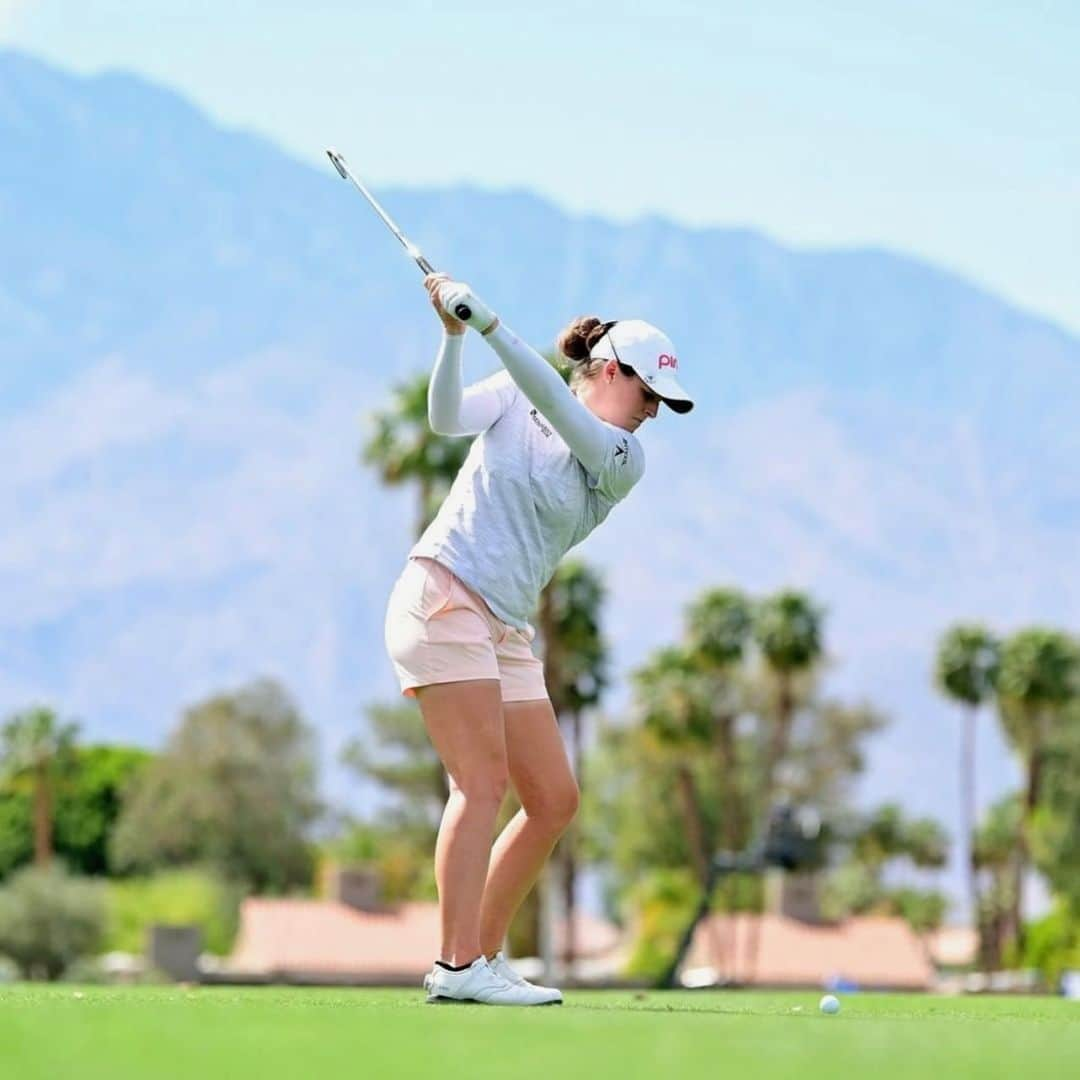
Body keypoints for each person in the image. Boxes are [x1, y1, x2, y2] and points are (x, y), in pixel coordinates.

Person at [383, 273, 694, 1005]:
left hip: (503, 627)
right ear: (611, 370)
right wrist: (454, 339)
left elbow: (560, 403)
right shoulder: (519, 390)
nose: (653, 413)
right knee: (481, 784)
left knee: (553, 798)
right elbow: (446, 416)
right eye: (648, 395)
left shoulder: (622, 458)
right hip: (444, 597)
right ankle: (457, 967)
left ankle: (482, 959)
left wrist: (489, 321)